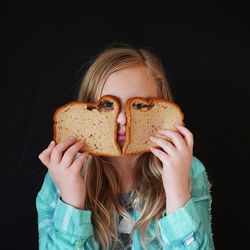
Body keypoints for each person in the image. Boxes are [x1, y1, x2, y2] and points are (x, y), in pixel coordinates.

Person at [36, 44, 215, 249]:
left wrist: (177, 194)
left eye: (138, 105)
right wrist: (72, 201)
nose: (122, 118)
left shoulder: (189, 170)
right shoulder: (62, 174)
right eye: (107, 104)